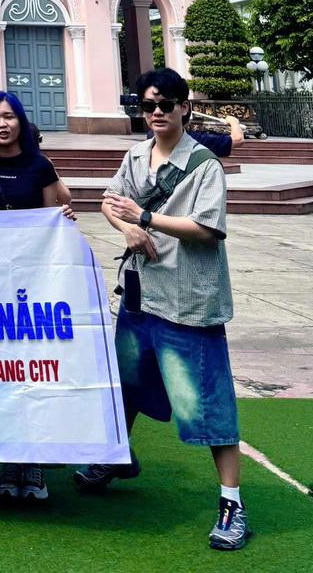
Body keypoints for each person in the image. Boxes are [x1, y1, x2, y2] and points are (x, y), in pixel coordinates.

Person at [76, 69, 251, 552]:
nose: (156, 112)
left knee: (207, 400)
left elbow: (206, 228)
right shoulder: (135, 156)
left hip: (187, 300)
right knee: (127, 382)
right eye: (148, 104)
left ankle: (232, 503)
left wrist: (146, 217)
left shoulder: (204, 165)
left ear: (184, 108)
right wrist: (127, 228)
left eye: (165, 104)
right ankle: (116, 457)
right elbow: (110, 201)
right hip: (140, 292)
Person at [0, 90, 74, 503]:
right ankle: (9, 462)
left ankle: (34, 463)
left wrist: (62, 218)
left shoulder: (40, 166)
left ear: (20, 121)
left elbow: (52, 221)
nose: (3, 124)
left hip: (31, 289)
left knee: (31, 372)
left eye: (9, 116)